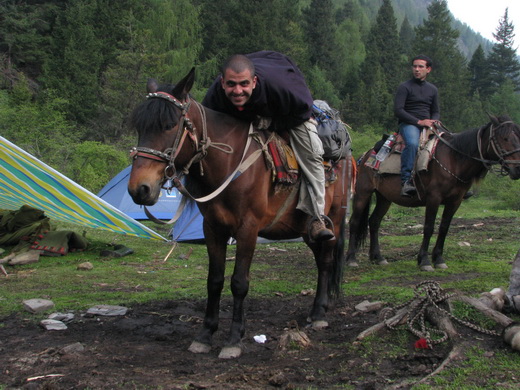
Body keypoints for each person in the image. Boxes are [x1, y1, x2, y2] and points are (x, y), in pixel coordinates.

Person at [202, 51, 335, 242]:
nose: (237, 90)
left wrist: (271, 123)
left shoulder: (284, 88)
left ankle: (317, 217)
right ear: (223, 82)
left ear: (254, 81)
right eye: (231, 84)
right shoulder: (215, 95)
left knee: (313, 154)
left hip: (291, 114)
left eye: (244, 84)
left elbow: (303, 111)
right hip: (247, 116)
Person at [394, 55, 440, 197]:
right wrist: (419, 122)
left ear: (428, 69)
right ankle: (406, 181)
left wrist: (434, 121)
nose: (417, 69)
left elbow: (435, 111)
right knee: (413, 144)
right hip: (409, 124)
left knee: (449, 142)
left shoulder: (433, 89)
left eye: (420, 67)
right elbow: (398, 110)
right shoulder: (405, 87)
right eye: (414, 66)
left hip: (428, 124)